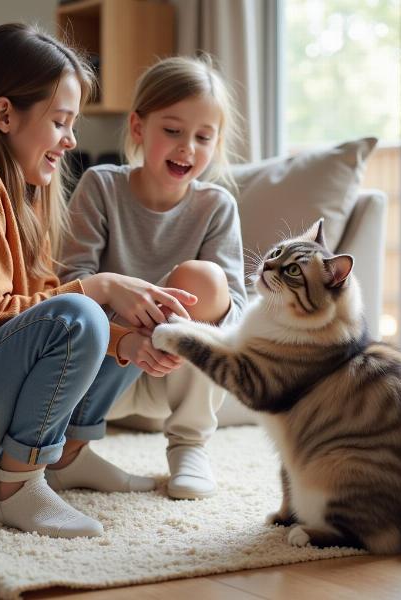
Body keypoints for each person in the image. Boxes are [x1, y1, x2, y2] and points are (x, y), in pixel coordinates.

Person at [0, 23, 198, 539]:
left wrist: (132, 342)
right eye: (60, 122)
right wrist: (100, 287)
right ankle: (16, 487)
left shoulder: (20, 195)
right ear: (4, 115)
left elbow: (37, 308)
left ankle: (65, 456)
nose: (71, 140)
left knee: (120, 316)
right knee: (84, 309)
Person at [59, 55, 247, 500]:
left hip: (174, 376)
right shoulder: (100, 186)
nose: (187, 148)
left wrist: (169, 321)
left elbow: (235, 312)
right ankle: (72, 447)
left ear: (217, 143)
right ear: (139, 128)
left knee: (203, 278)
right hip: (104, 369)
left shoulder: (216, 206)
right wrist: (131, 319)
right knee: (81, 303)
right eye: (173, 130)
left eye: (203, 137)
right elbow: (71, 283)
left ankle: (189, 446)